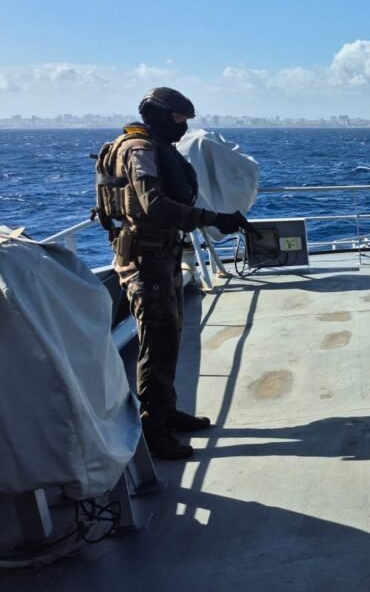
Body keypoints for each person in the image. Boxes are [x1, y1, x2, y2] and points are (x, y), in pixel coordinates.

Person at [94, 87, 252, 459]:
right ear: (159, 114)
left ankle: (167, 412)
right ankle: (153, 431)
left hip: (160, 258)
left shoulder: (148, 145)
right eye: (179, 119)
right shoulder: (139, 150)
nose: (182, 127)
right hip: (145, 263)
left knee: (170, 339)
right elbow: (155, 206)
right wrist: (214, 219)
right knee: (156, 346)